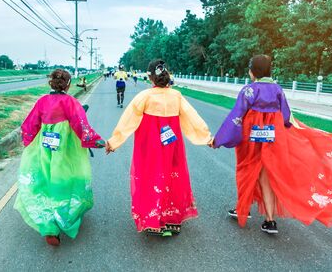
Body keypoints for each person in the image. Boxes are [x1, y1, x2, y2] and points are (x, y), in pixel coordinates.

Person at [211, 55, 332, 234]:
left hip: (252, 142)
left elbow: (236, 116)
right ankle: (268, 220)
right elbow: (285, 117)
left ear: (253, 72)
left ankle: (243, 210)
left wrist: (219, 139)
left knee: (247, 170)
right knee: (265, 175)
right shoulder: (277, 90)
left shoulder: (249, 90)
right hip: (272, 141)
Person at [106, 59, 213, 236]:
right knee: (172, 175)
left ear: (150, 78)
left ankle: (153, 218)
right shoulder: (176, 96)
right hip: (172, 146)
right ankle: (171, 219)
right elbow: (192, 118)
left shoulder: (144, 97)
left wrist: (114, 142)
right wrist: (206, 138)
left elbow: (127, 121)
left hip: (149, 146)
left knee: (151, 176)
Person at [14, 69, 105, 246]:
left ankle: (49, 226)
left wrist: (28, 142)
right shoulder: (70, 102)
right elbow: (82, 127)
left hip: (45, 149)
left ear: (51, 83)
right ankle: (64, 215)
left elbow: (29, 125)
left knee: (46, 180)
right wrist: (97, 141)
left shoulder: (42, 102)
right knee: (66, 179)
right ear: (68, 84)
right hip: (66, 150)